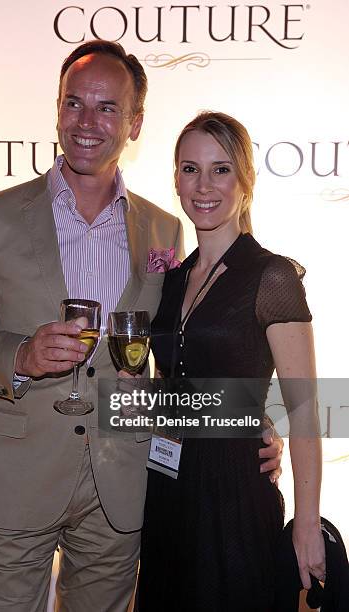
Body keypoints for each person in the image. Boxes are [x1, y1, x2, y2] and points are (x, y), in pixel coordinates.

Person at [0, 42, 282, 612]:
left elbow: (177, 346)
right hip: (15, 484)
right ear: (58, 109)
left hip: (122, 487)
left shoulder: (165, 230)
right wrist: (19, 356)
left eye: (107, 108)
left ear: (134, 121)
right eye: (74, 104)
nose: (86, 122)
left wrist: (245, 422)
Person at [137, 111, 325, 611]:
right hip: (166, 489)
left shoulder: (272, 277)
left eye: (220, 169)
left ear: (246, 180)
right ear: (175, 177)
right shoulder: (172, 281)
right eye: (189, 168)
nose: (203, 185)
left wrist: (307, 525)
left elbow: (304, 408)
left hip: (233, 497)